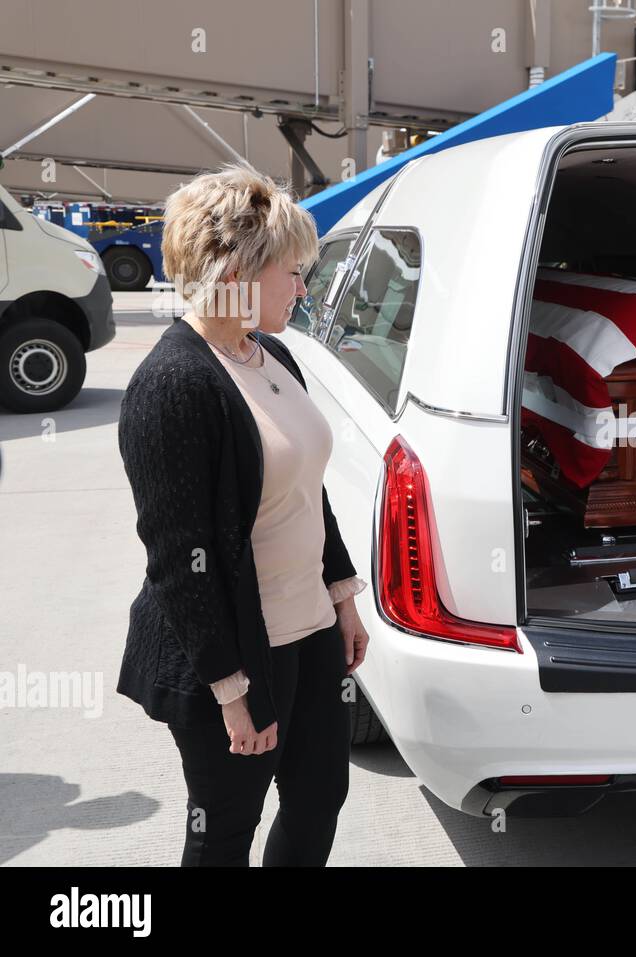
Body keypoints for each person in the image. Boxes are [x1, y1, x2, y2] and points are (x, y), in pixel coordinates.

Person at [116, 163, 370, 866]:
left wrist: (342, 596)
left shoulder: (273, 353)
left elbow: (304, 488)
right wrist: (231, 689)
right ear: (237, 268)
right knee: (224, 829)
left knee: (319, 801)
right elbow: (179, 559)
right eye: (292, 270)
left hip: (311, 633)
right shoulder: (173, 384)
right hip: (231, 655)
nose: (303, 286)